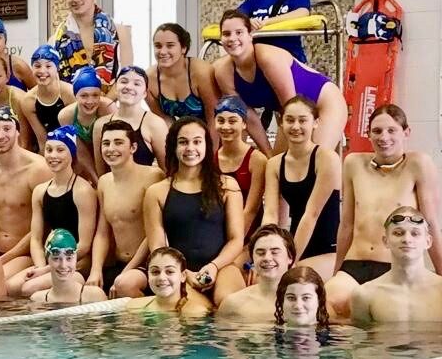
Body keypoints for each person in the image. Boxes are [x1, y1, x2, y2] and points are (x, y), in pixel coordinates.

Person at [327, 104, 442, 317]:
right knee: (326, 305)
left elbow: (432, 224)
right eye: (377, 131)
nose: (384, 137)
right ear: (368, 134)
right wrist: (336, 272)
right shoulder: (353, 163)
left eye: (392, 130)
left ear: (406, 132)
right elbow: (347, 225)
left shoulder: (418, 164)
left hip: (394, 267)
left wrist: (441, 272)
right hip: (355, 265)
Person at [212, 10, 346, 154]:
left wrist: (298, 155)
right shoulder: (222, 71)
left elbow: (292, 106)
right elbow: (249, 118)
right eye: (226, 34)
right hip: (290, 112)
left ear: (250, 35)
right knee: (276, 166)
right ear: (221, 39)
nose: (232, 38)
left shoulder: (268, 58)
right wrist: (268, 154)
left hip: (324, 103)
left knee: (313, 161)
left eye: (239, 32)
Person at [143, 117, 245, 306]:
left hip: (222, 267)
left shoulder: (227, 186)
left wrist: (214, 266)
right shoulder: (156, 192)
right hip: (179, 272)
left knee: (229, 304)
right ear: (174, 146)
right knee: (194, 313)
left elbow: (236, 239)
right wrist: (184, 273)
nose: (190, 148)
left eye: (197, 142)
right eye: (183, 142)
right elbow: (158, 246)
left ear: (207, 146)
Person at [262, 96, 341, 280]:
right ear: (281, 123)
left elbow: (311, 214)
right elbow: (271, 213)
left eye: (302, 120)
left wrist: (289, 259)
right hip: (297, 244)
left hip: (329, 247)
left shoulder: (326, 158)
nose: (296, 126)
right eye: (290, 120)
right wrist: (266, 250)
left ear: (315, 123)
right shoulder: (275, 164)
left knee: (291, 279)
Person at [0, 107, 51, 278]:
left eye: (7, 129)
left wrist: (6, 257)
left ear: (17, 132)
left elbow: (45, 225)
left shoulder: (38, 169)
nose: (0, 136)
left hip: (28, 253)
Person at [86, 121, 164, 297]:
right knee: (89, 293)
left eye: (118, 142)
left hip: (147, 264)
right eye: (106, 143)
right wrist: (96, 269)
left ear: (133, 147)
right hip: (119, 263)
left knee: (124, 285)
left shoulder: (153, 176)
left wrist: (128, 270)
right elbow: (102, 232)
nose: (111, 148)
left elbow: (154, 232)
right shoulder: (104, 182)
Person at [21, 125, 97, 295]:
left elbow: (84, 245)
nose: (53, 155)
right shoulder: (40, 191)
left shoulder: (82, 191)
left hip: (77, 263)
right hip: (51, 260)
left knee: (28, 289)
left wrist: (47, 269)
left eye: (60, 150)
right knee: (12, 287)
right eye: (49, 150)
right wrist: (41, 266)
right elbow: (35, 238)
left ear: (72, 153)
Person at [349, 207, 442, 325]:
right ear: (385, 241)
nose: (407, 239)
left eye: (415, 233)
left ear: (428, 242)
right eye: (398, 233)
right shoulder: (365, 295)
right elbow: (361, 342)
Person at [51, 0, 133, 84]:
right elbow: (55, 83)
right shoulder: (56, 40)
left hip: (112, 101)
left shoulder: (120, 32)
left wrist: (105, 101)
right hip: (72, 101)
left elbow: (127, 77)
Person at [146, 24, 219, 138]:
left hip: (217, 131)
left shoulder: (200, 72)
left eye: (170, 46)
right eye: (158, 46)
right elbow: (164, 122)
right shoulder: (149, 79)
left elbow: (213, 118)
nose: (163, 51)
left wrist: (211, 154)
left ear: (183, 48)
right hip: (185, 135)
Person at [216, 225, 296, 322]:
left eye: (275, 252)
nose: (267, 258)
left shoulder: (306, 302)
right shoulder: (233, 304)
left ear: (290, 257)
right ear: (252, 259)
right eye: (260, 253)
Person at [95, 66, 167, 172]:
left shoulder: (155, 124)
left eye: (137, 84)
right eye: (124, 81)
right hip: (111, 187)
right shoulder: (100, 124)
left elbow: (167, 170)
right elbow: (101, 173)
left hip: (146, 187)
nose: (129, 87)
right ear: (115, 88)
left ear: (145, 93)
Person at [214, 95, 267, 240]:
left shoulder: (257, 160)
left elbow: (251, 209)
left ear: (244, 124)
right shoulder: (210, 160)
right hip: (219, 232)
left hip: (249, 233)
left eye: (232, 121)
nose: (225, 127)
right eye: (220, 121)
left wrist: (232, 243)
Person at [57, 66, 113, 182]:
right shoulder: (66, 116)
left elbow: (116, 145)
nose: (90, 101)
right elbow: (81, 152)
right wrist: (96, 180)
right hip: (84, 160)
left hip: (109, 155)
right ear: (75, 95)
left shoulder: (108, 109)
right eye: (84, 95)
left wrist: (104, 181)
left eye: (95, 95)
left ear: (100, 94)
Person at [125, 247, 212, 318]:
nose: (161, 278)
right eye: (155, 272)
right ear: (148, 276)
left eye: (169, 272)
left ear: (183, 276)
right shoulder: (134, 307)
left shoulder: (195, 313)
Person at [20, 45, 75, 151]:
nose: (42, 71)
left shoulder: (69, 93)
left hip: (72, 146)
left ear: (57, 68)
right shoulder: (28, 101)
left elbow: (75, 135)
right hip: (49, 149)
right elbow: (42, 140)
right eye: (37, 66)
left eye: (48, 66)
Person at [30, 229, 106, 305]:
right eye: (56, 258)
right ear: (48, 260)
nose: (63, 265)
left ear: (76, 259)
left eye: (69, 258)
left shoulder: (95, 296)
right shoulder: (38, 300)